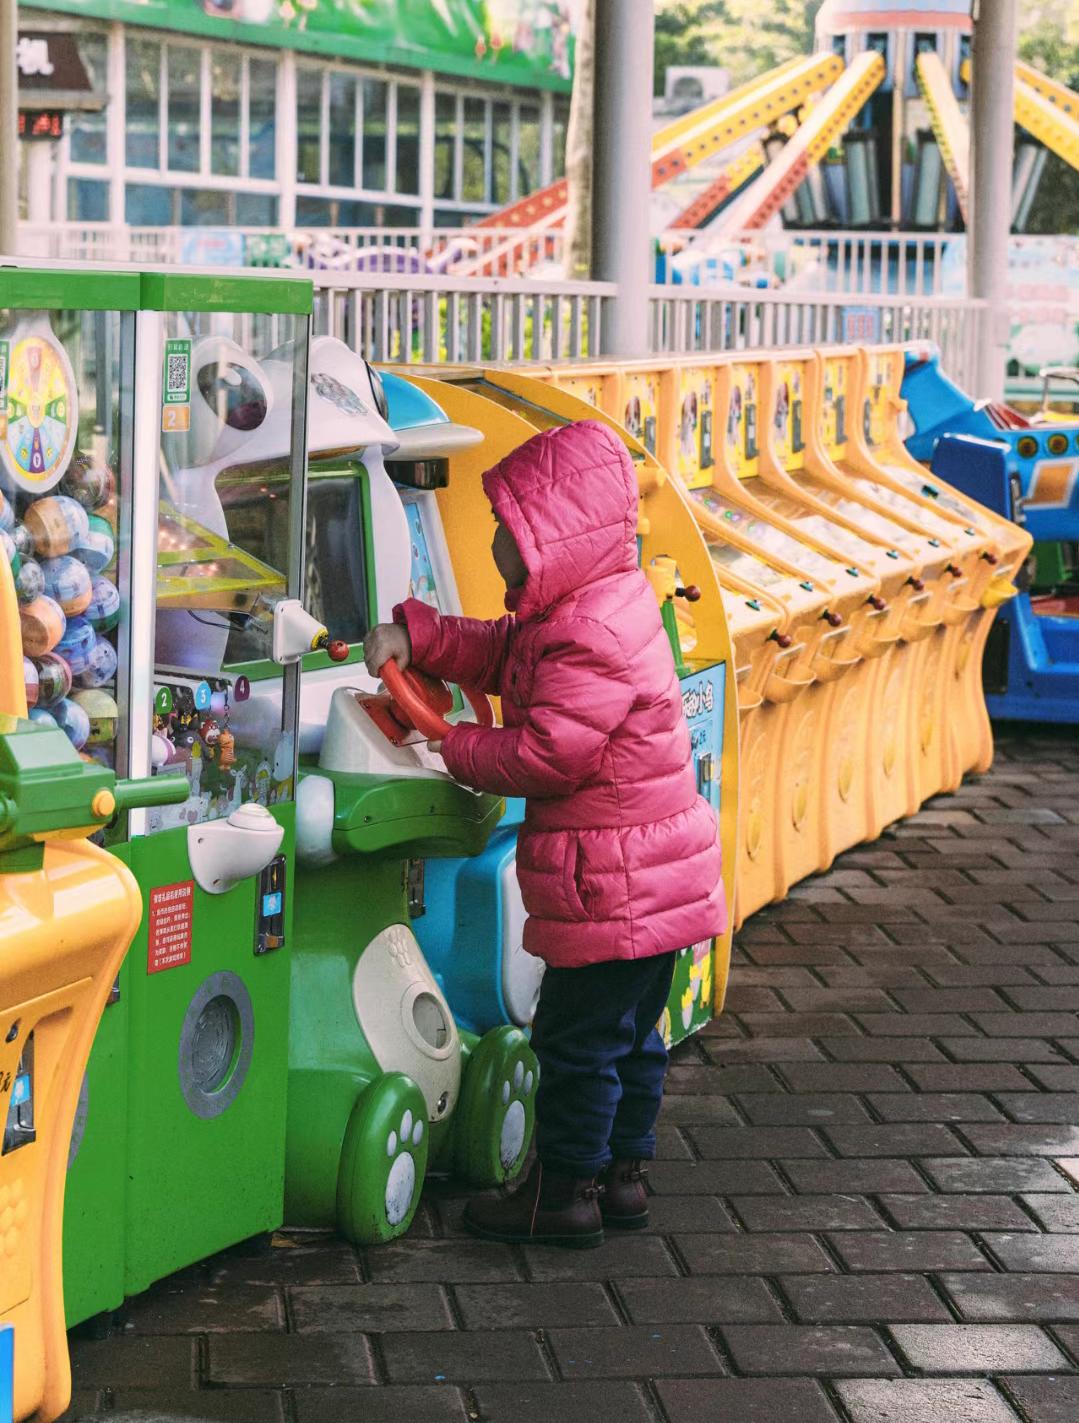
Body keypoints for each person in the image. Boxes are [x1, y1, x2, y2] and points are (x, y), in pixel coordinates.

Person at [364, 419, 725, 1248]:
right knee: (633, 1036)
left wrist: (451, 745)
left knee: (572, 1044)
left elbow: (545, 754)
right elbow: (502, 655)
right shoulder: (591, 601)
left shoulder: (585, 632)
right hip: (650, 878)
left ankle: (560, 1193)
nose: (496, 541)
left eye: (510, 528)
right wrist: (421, 635)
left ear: (557, 536)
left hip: (616, 885)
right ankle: (620, 1177)